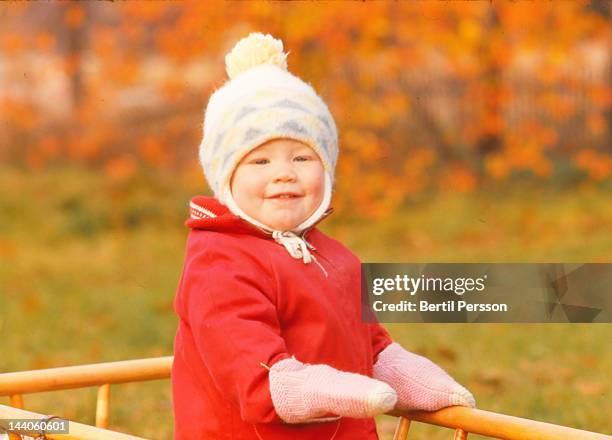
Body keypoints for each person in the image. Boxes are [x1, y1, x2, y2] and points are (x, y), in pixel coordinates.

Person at [172, 32, 475, 440]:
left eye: (302, 157)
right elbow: (259, 377)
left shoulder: (335, 258)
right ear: (226, 179)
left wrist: (401, 373)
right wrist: (345, 390)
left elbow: (368, 347)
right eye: (259, 160)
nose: (284, 173)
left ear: (327, 171)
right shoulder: (219, 265)